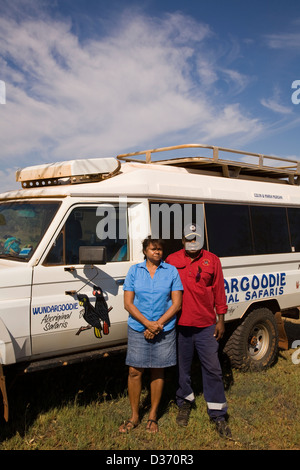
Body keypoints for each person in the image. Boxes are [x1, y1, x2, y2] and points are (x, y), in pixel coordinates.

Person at [166, 223, 231, 438]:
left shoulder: (212, 260)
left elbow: (219, 291)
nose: (192, 242)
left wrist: (220, 320)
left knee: (212, 368)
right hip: (180, 325)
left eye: (196, 238)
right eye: (188, 238)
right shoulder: (172, 260)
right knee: (183, 368)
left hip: (206, 325)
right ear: (183, 241)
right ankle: (185, 402)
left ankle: (218, 414)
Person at [119, 236, 183, 434]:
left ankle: (153, 415)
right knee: (134, 371)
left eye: (160, 250)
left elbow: (176, 303)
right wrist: (147, 324)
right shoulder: (134, 271)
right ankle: (134, 416)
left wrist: (158, 325)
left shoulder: (171, 271)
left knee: (157, 370)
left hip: (164, 329)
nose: (157, 252)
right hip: (139, 328)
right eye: (153, 249)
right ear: (145, 251)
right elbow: (128, 303)